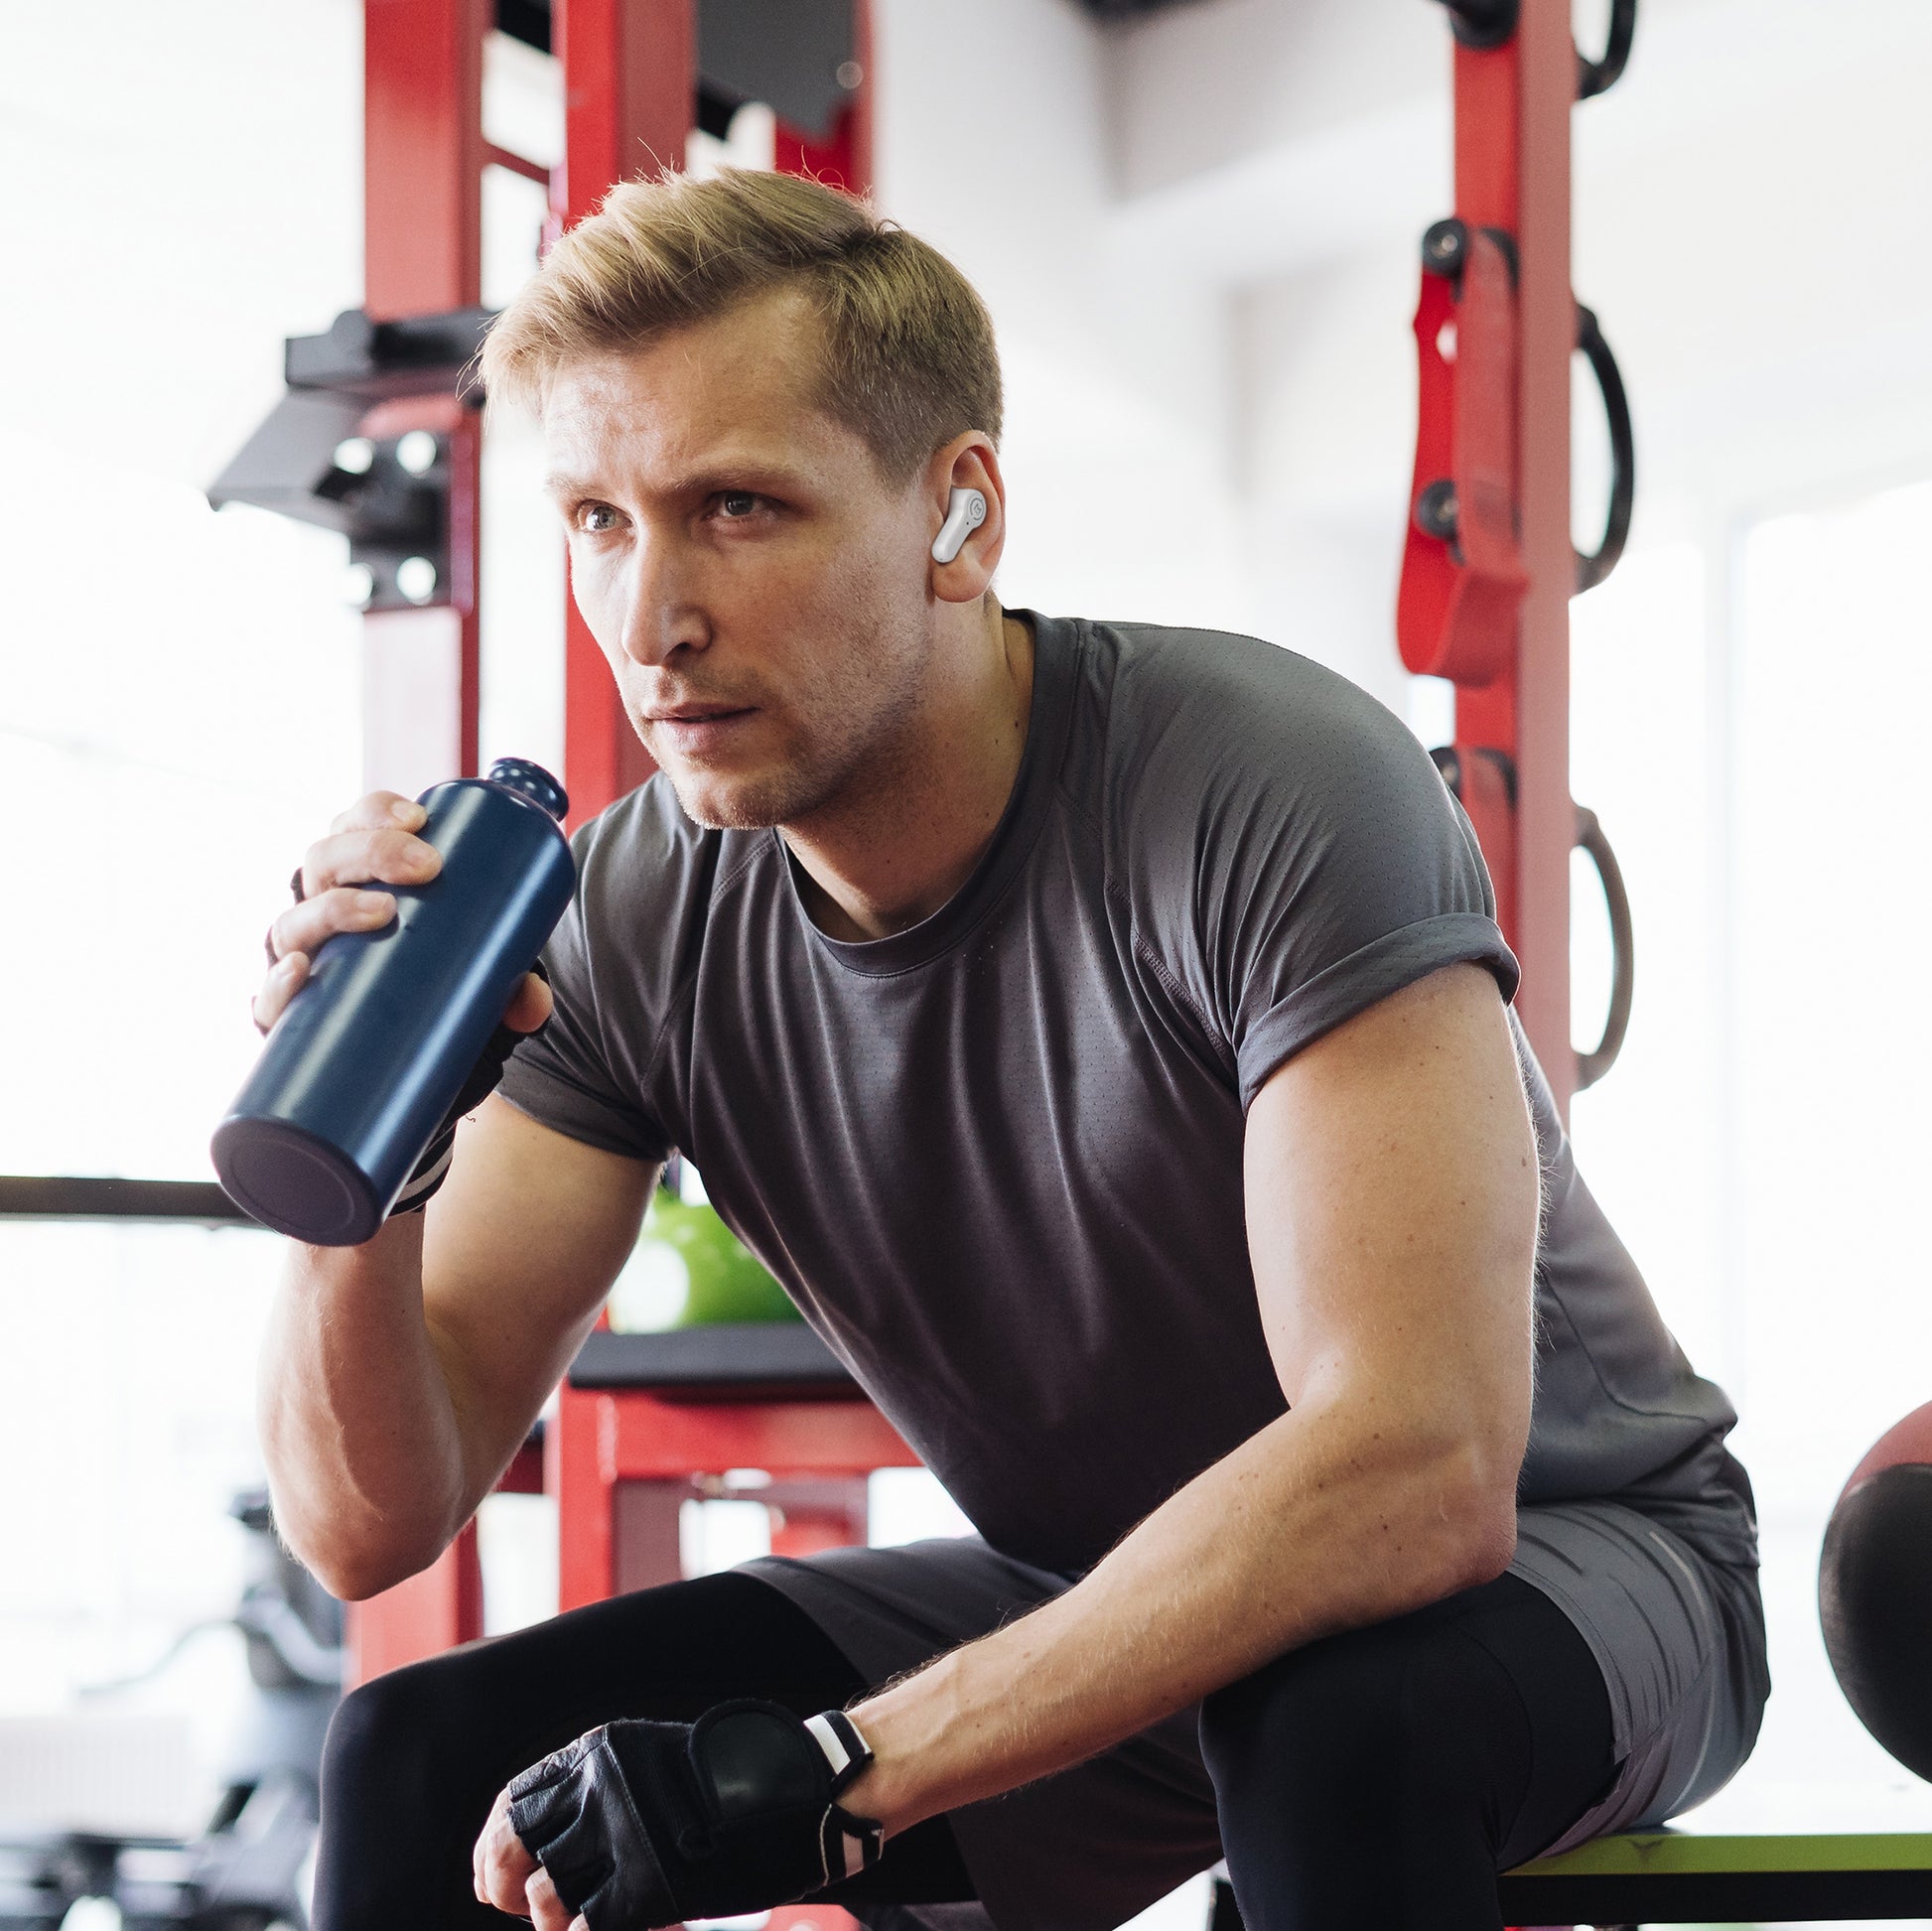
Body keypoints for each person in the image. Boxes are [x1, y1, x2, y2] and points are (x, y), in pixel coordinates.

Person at [253, 169, 1768, 1931]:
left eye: (735, 506)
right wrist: (358, 1158)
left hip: (1568, 1560)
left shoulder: (1269, 783)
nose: (649, 615)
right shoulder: (629, 910)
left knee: (1332, 1726)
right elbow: (369, 1521)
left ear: (957, 514)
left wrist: (832, 1768)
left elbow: (1415, 1472)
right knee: (417, 1761)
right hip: (1079, 1579)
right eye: (597, 519)